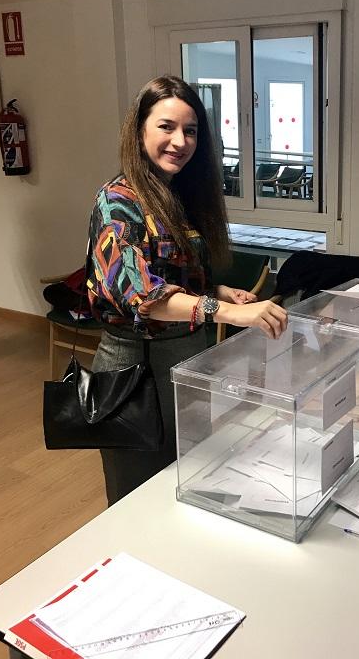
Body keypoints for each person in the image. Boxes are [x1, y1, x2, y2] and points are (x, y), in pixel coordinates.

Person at [88, 75, 287, 506]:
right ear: (139, 129)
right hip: (133, 367)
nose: (180, 141)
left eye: (191, 130)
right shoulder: (117, 199)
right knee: (135, 494)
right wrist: (228, 313)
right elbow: (143, 294)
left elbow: (174, 276)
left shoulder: (178, 194)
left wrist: (219, 290)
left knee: (189, 473)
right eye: (166, 127)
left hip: (185, 353)